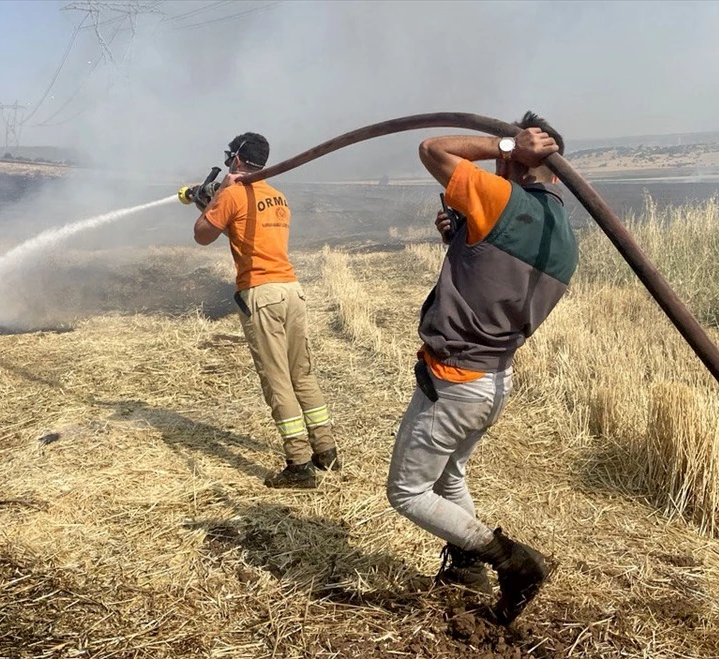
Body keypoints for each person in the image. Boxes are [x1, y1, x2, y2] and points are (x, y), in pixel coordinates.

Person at [386, 112, 578, 624]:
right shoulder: (561, 232)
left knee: (407, 492)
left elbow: (432, 148)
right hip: (494, 379)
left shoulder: (500, 199)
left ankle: (511, 560)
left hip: (454, 381)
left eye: (507, 158)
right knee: (450, 478)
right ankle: (467, 566)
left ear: (522, 159)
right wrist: (462, 240)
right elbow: (496, 282)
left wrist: (505, 143)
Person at [191, 132, 340, 489]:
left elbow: (201, 235)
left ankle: (299, 464)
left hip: (263, 295)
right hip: (291, 291)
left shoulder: (233, 193)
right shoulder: (277, 197)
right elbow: (245, 234)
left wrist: (213, 201)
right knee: (301, 374)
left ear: (238, 160)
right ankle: (326, 451)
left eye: (230, 159)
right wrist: (216, 203)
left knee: (277, 379)